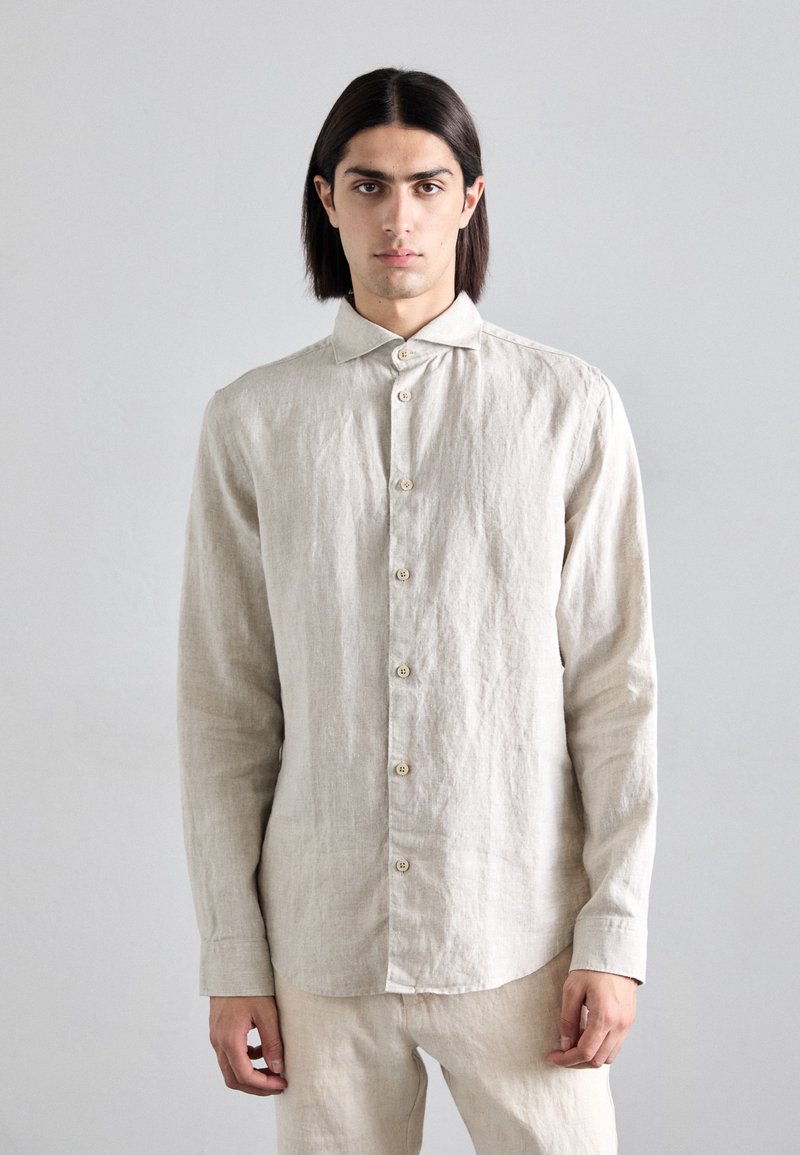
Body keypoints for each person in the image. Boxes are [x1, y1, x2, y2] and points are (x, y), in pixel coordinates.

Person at [177, 66, 658, 1154]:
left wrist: (614, 936)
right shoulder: (253, 421)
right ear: (326, 199)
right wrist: (233, 957)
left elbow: (615, 690)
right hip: (320, 948)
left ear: (469, 200)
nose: (398, 217)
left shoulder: (566, 407)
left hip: (519, 933)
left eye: (427, 185)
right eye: (368, 185)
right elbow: (226, 710)